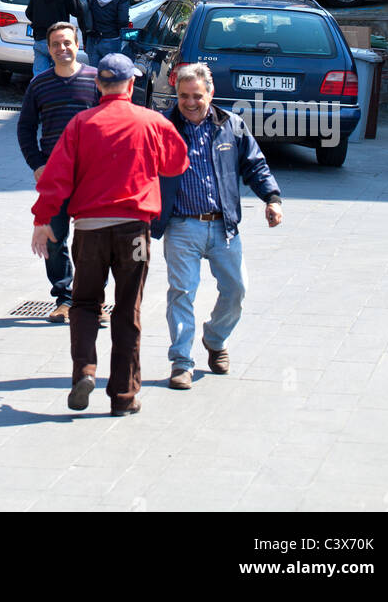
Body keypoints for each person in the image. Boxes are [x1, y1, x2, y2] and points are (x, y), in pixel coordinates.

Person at [32, 54, 189, 417]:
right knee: (127, 309)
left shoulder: (80, 124)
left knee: (85, 304)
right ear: (131, 85)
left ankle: (84, 370)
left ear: (98, 85)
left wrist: (42, 220)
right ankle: (123, 396)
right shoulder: (152, 122)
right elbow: (176, 163)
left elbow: (56, 178)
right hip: (134, 229)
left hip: (89, 230)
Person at [154, 62, 283, 391]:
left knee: (236, 290)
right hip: (182, 226)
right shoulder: (163, 127)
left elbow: (254, 164)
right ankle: (181, 362)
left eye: (197, 95)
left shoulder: (231, 125)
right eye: (183, 96)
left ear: (210, 94)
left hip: (223, 226)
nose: (190, 102)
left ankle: (215, 337)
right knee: (182, 293)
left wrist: (272, 198)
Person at [16, 22, 99, 322]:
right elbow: (25, 128)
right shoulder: (39, 85)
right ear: (48, 49)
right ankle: (64, 297)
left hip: (91, 177)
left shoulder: (96, 81)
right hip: (54, 176)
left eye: (67, 43)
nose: (62, 48)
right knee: (53, 237)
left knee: (94, 241)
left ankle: (92, 299)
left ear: (78, 45)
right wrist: (37, 164)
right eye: (56, 44)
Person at [25, 0, 89, 77]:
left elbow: (28, 13)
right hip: (58, 40)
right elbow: (77, 11)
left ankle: (39, 94)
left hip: (40, 38)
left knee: (39, 76)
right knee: (60, 75)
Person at [85, 0, 130, 69]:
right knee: (110, 76)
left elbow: (87, 17)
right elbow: (123, 21)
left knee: (94, 75)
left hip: (93, 39)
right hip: (111, 39)